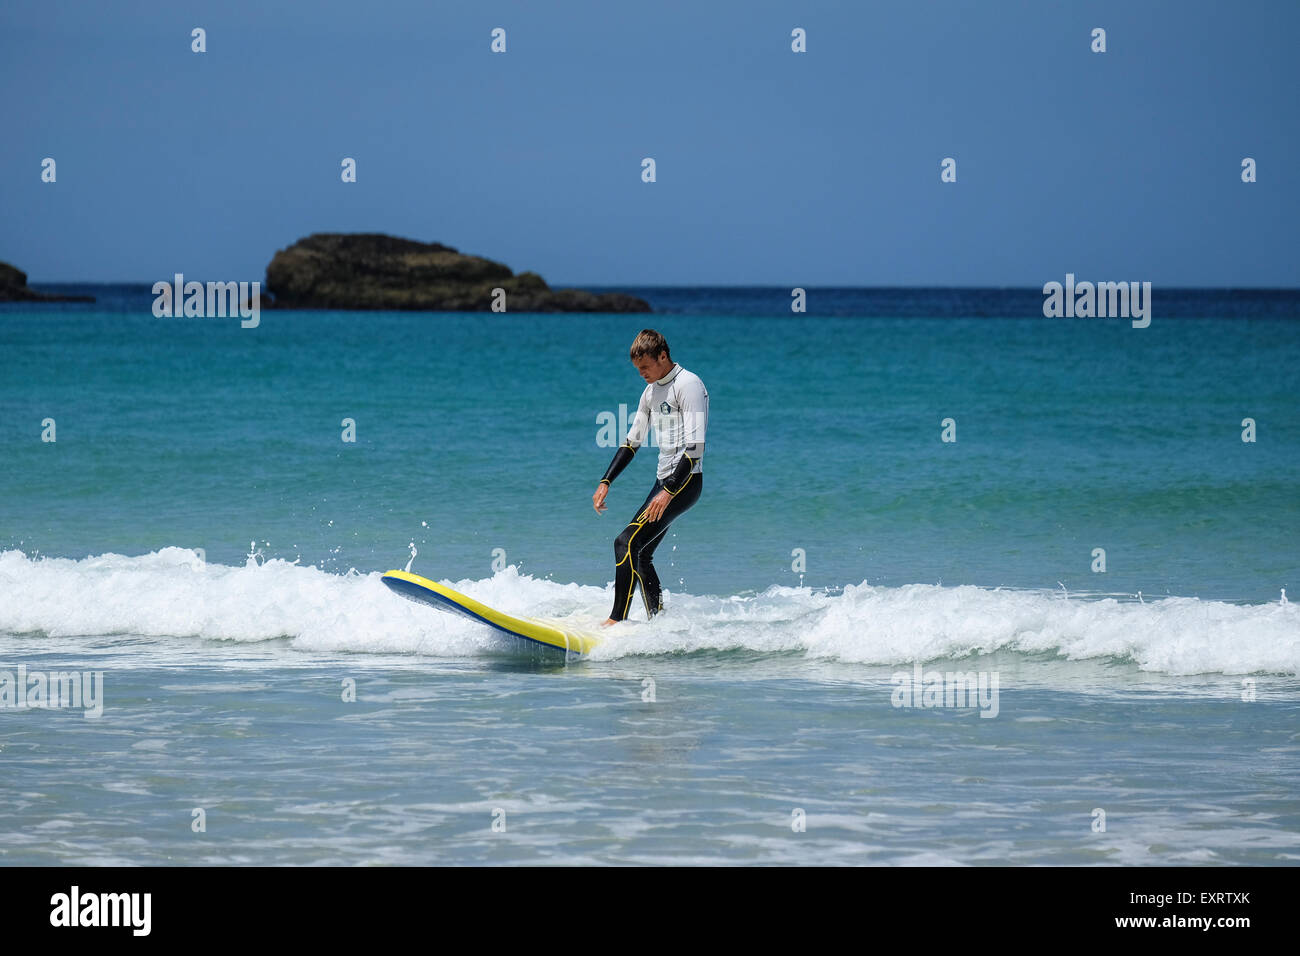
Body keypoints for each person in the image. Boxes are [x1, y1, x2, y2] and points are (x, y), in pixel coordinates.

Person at [593, 329, 708, 625]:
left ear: (663, 356)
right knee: (641, 554)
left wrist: (669, 491)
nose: (641, 373)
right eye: (637, 369)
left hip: (684, 482)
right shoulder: (651, 391)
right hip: (664, 483)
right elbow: (632, 442)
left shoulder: (688, 384)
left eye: (645, 367)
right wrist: (606, 481)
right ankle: (657, 622)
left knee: (625, 543)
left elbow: (694, 448)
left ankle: (616, 620)